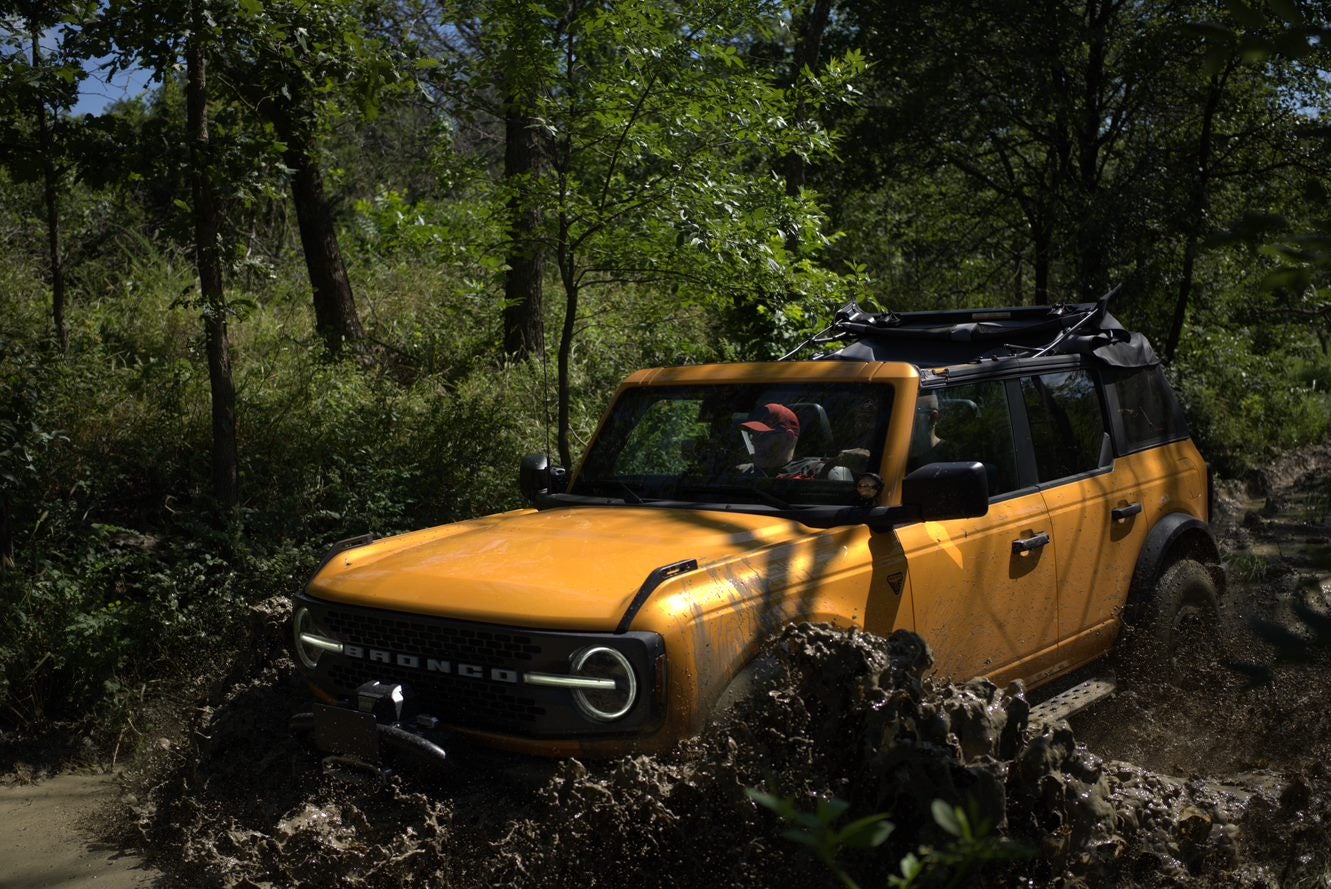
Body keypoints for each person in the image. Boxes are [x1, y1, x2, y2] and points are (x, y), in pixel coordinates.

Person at [736, 403, 823, 478]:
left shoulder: (818, 473)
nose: (753, 441)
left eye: (762, 435)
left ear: (788, 437)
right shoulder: (738, 474)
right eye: (752, 435)